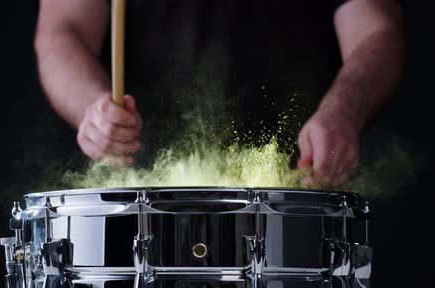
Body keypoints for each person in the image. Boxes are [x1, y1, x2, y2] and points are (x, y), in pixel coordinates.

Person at [33, 0, 405, 187]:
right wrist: (91, 109)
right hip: (139, 207)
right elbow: (62, 31)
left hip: (295, 198)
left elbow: (376, 32)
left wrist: (344, 110)